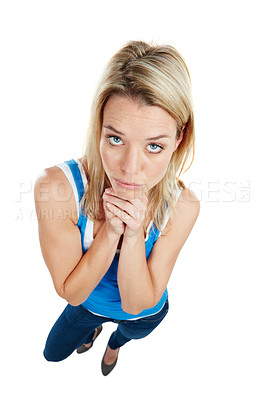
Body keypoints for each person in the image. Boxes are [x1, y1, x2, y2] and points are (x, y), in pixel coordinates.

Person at [34, 40, 200, 376]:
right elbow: (72, 291)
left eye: (154, 146)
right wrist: (110, 232)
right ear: (99, 125)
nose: (129, 168)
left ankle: (115, 344)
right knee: (53, 354)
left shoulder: (183, 206)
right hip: (89, 306)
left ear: (179, 138)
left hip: (145, 312)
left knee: (129, 330)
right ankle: (95, 330)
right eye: (116, 139)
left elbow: (136, 303)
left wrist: (135, 231)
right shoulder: (57, 188)